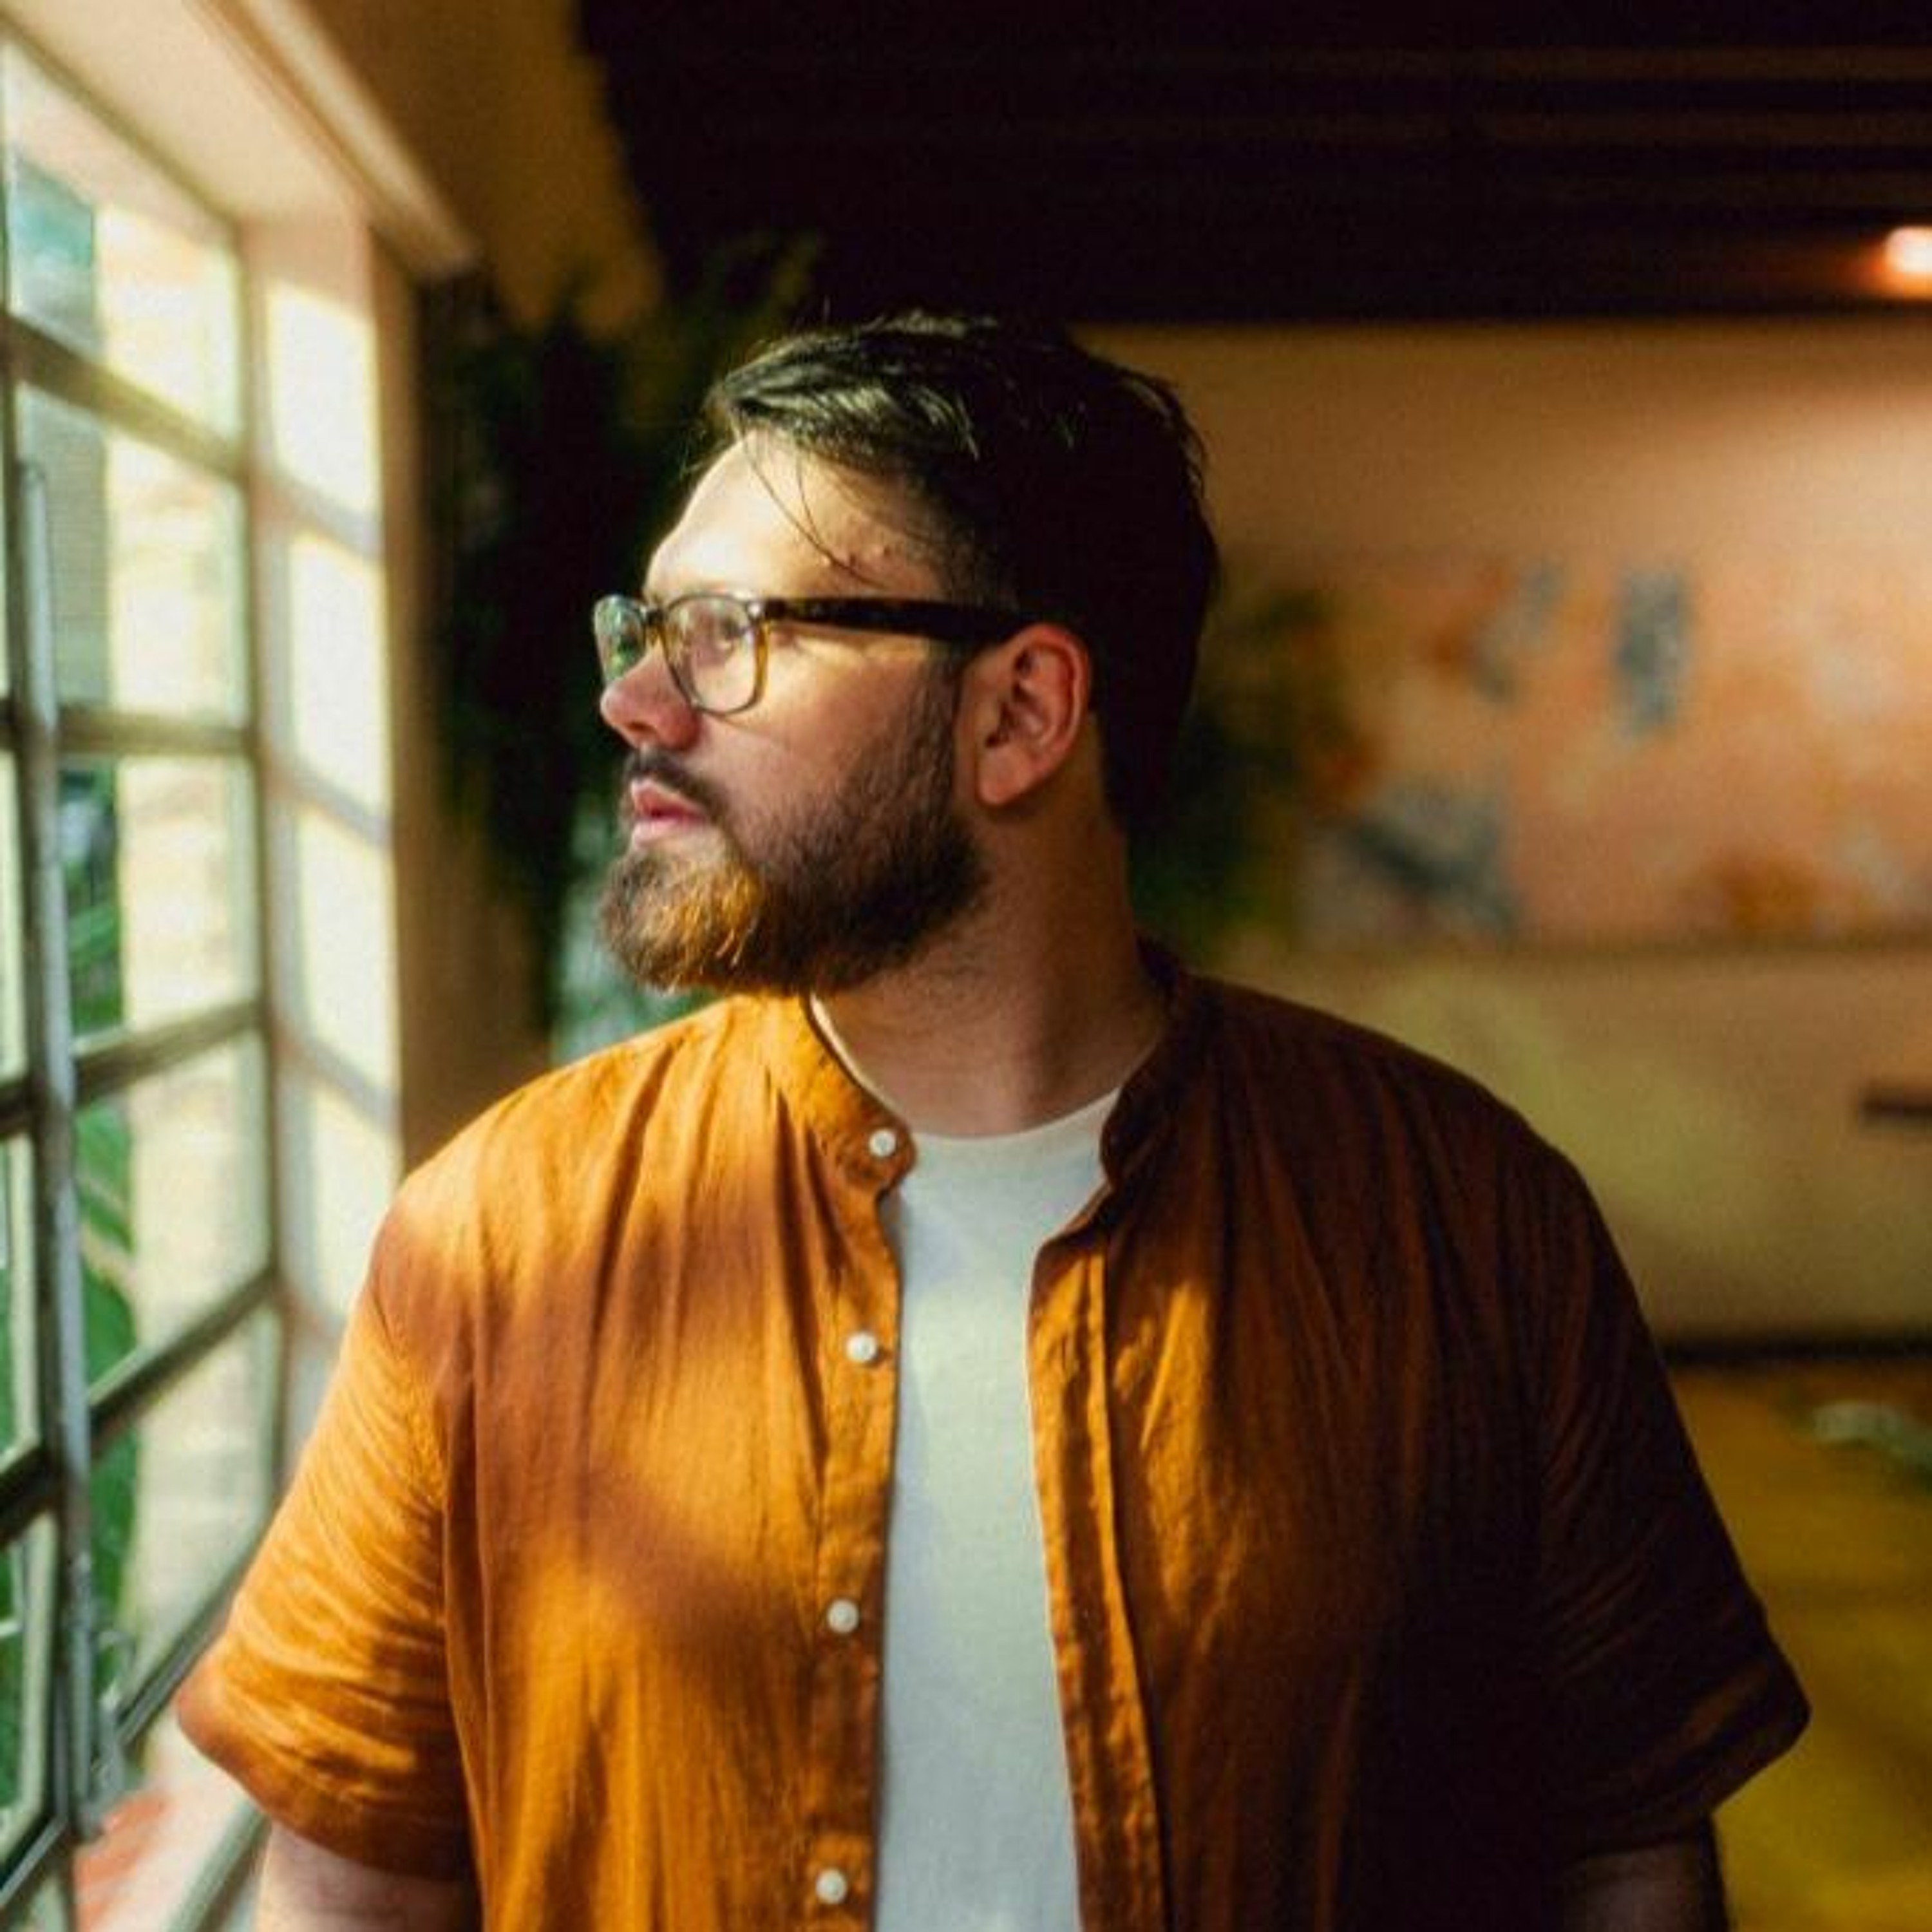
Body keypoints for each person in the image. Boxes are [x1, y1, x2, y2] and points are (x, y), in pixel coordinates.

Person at [182, 313, 1806, 1931]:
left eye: (732, 632)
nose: (640, 703)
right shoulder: (496, 1239)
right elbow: (352, 1881)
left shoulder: (1466, 1221)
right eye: (649, 629)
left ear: (1021, 714)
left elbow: (1626, 1850)